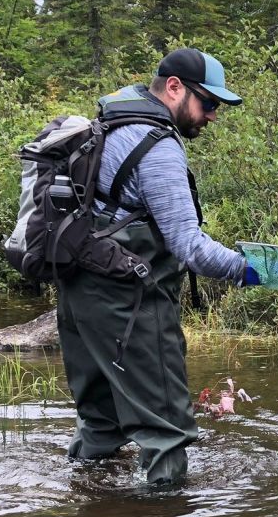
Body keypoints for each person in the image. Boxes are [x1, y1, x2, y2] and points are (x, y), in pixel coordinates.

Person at [57, 47, 256, 486]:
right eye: (209, 103)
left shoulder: (108, 124)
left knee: (99, 422)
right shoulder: (158, 147)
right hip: (131, 304)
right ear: (174, 87)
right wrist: (252, 269)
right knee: (166, 431)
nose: (212, 116)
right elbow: (191, 248)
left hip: (78, 298)